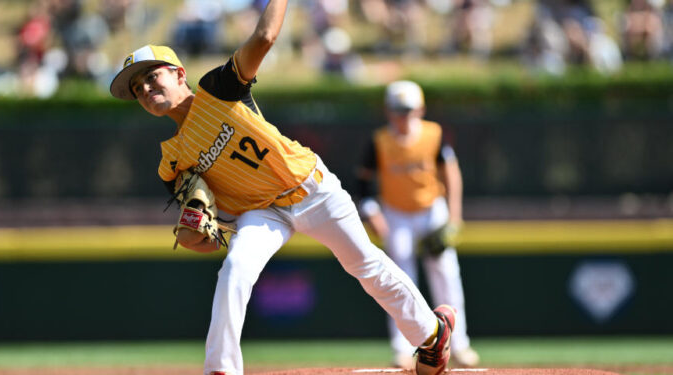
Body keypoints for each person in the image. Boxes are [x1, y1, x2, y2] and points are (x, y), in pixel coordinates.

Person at [107, 2, 455, 375]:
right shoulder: (171, 161)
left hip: (311, 188)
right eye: (137, 88)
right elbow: (204, 239)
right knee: (235, 268)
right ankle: (220, 369)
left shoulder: (217, 90)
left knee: (364, 266)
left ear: (179, 73)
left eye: (151, 76)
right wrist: (196, 234)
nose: (144, 88)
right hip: (262, 213)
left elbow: (266, 36)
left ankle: (433, 334)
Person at [356, 80, 480, 369]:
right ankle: (404, 347)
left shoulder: (433, 134)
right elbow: (362, 185)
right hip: (395, 213)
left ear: (420, 109)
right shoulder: (379, 141)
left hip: (430, 209)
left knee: (446, 273)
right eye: (398, 111)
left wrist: (454, 215)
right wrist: (373, 214)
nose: (404, 117)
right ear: (388, 111)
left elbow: (451, 173)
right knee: (398, 279)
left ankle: (459, 344)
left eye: (409, 110)